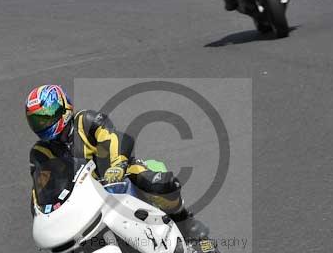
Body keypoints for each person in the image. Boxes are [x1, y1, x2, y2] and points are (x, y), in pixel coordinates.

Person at [26, 84, 209, 242]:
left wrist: (117, 166)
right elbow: (41, 185)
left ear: (63, 109)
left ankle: (186, 224)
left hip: (118, 176)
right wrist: (40, 212)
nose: (42, 124)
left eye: (46, 117)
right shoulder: (41, 152)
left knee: (158, 182)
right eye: (37, 120)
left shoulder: (86, 121)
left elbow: (113, 139)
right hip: (82, 200)